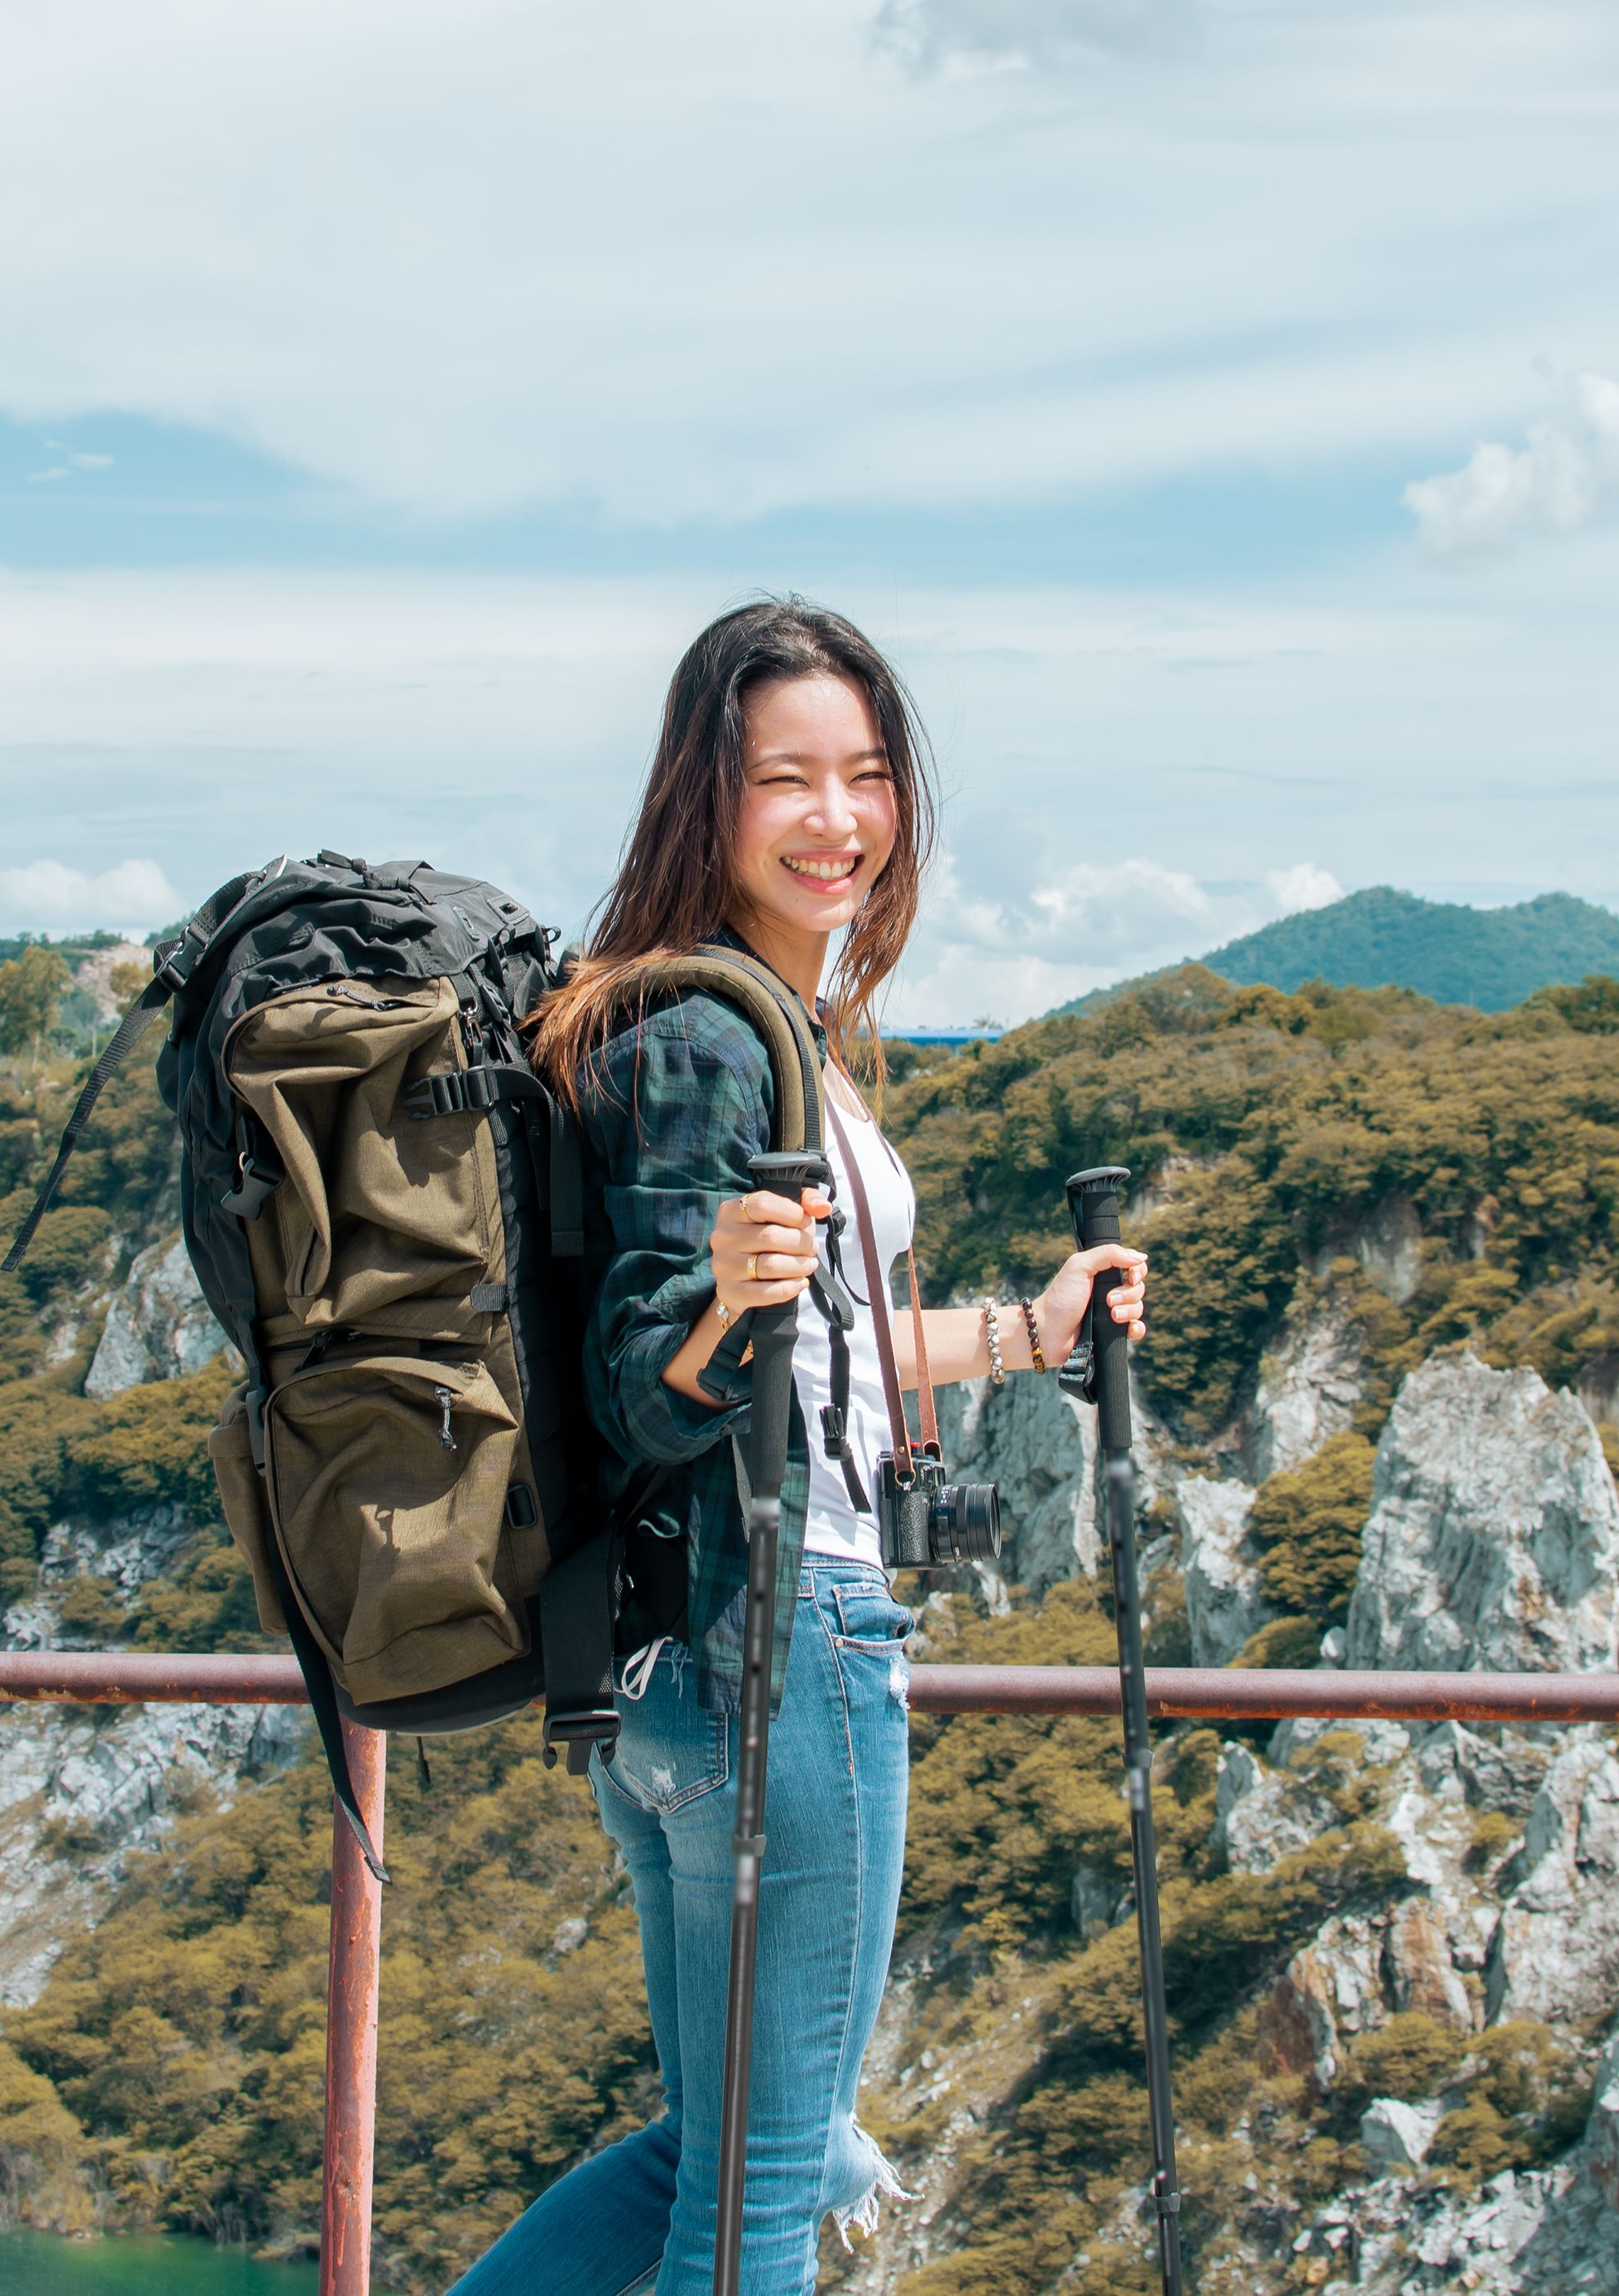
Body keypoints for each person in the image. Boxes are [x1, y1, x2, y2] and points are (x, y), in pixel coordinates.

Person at [450, 598, 1151, 2295]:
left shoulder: (728, 1015)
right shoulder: (704, 1035)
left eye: (869, 775)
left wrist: (1026, 1335)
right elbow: (650, 1375)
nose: (839, 818)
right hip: (786, 1646)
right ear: (709, 796)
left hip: (669, 1669)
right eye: (788, 780)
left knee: (717, 2147)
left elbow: (809, 1351)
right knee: (768, 2182)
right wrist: (709, 1312)